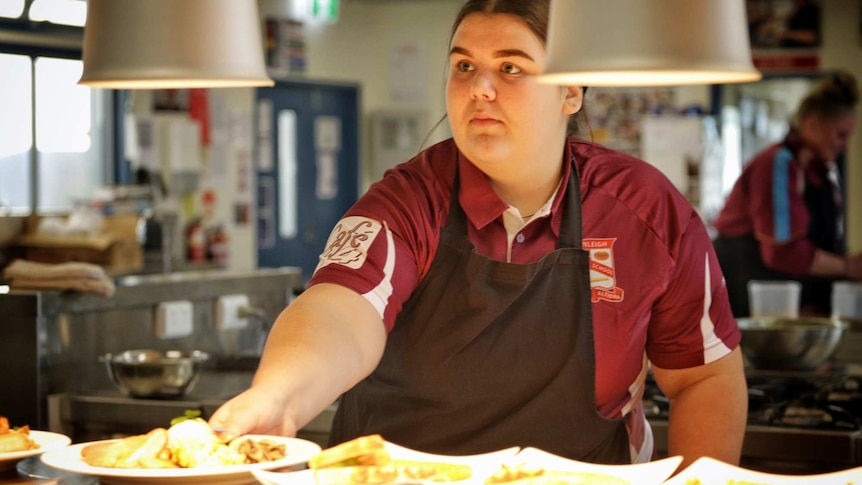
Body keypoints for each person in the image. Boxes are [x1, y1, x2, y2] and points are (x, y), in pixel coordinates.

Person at [210, 0, 747, 469]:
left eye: (511, 67)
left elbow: (704, 376)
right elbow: (339, 310)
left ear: (571, 91)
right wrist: (278, 396)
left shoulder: (644, 210)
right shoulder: (408, 201)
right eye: (464, 65)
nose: (479, 89)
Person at [713, 71, 861, 318]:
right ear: (812, 125)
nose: (845, 144)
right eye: (841, 134)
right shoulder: (777, 164)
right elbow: (781, 252)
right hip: (750, 303)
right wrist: (848, 267)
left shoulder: (818, 171)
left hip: (789, 304)